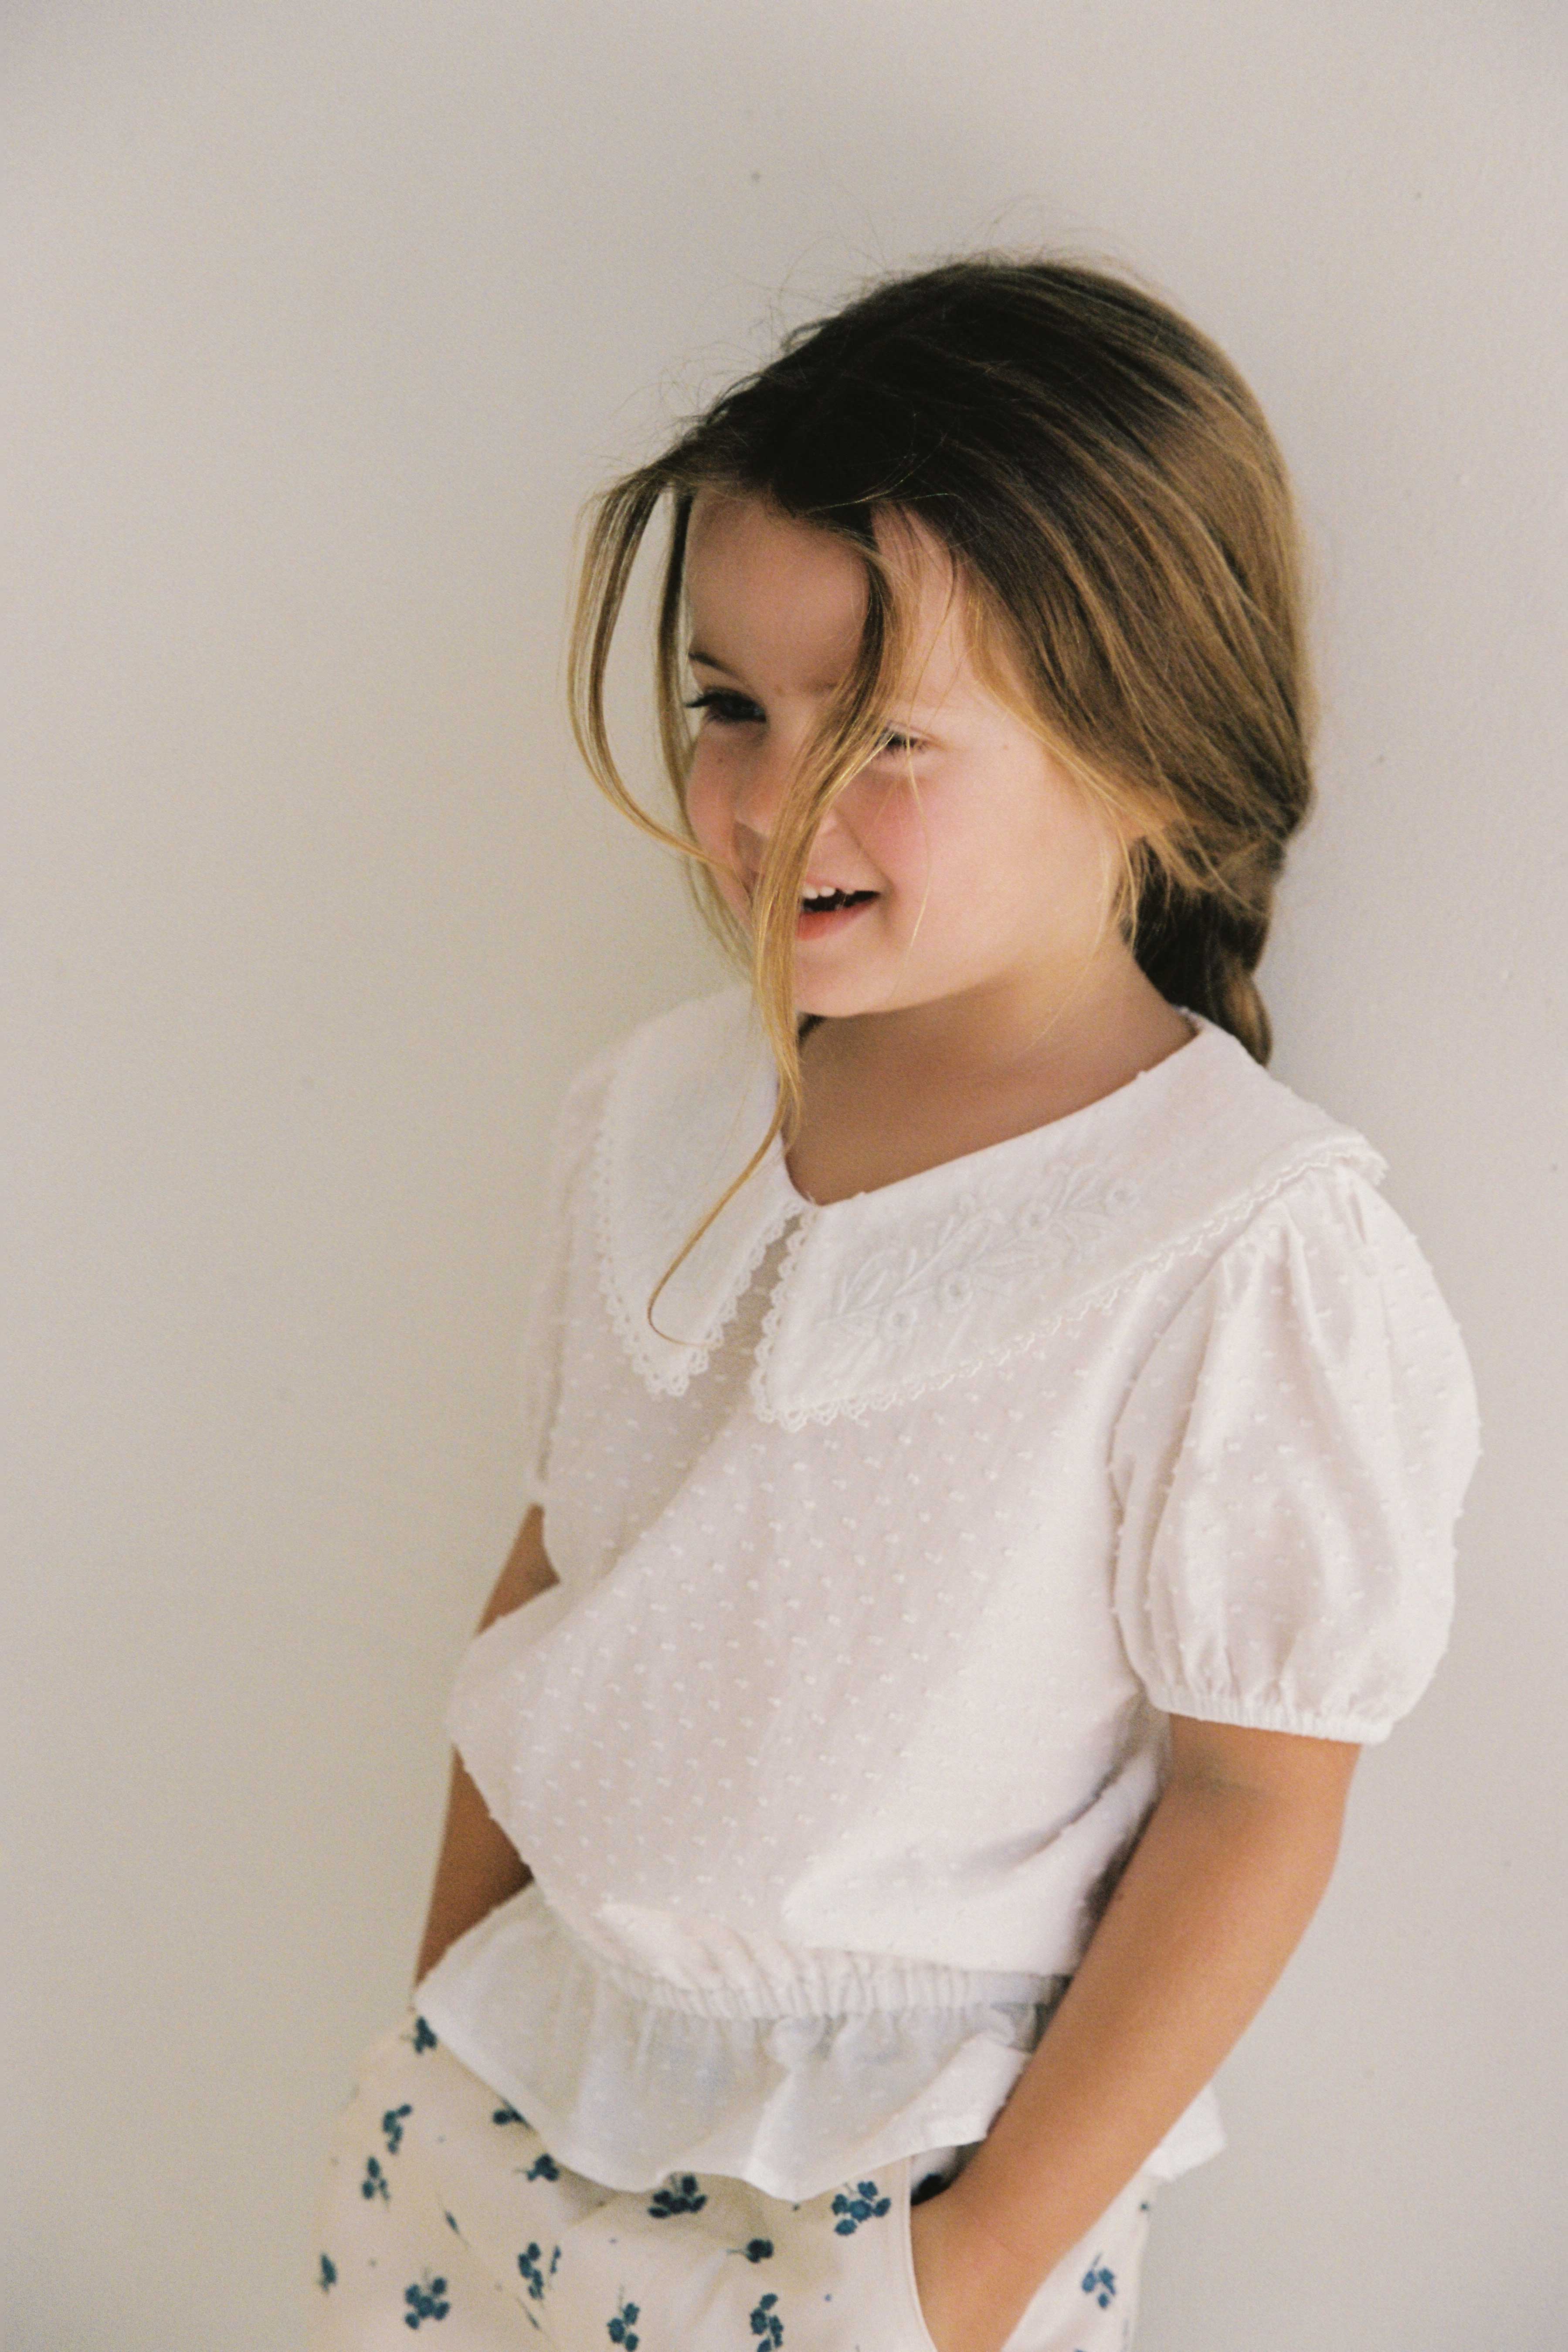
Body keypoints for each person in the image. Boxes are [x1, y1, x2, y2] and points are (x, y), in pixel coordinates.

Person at [308, 256, 1479, 2351]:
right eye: (729, 707)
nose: (765, 805)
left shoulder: (1234, 1239)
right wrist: (439, 1993)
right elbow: (563, 1568)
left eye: (885, 735)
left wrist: (967, 2274)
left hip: (897, 2165)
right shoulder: (660, 1113)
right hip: (505, 2091)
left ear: (1143, 751)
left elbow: (1256, 1798)